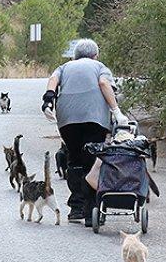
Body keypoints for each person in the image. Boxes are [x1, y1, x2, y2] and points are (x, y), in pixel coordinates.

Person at [42, 39, 128, 225]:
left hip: (67, 118)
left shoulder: (64, 66)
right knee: (92, 160)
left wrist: (48, 100)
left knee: (74, 159)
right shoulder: (100, 66)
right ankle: (91, 212)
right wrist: (116, 111)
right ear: (95, 55)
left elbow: (52, 80)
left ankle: (76, 208)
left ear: (75, 55)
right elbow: (104, 84)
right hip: (94, 117)